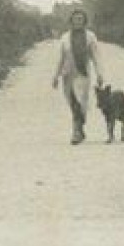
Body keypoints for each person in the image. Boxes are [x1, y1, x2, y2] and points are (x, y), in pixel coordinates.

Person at [51, 9, 106, 145]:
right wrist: (55, 76)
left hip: (82, 74)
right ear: (71, 21)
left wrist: (100, 73)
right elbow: (61, 58)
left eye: (81, 19)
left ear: (85, 21)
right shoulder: (65, 37)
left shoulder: (90, 37)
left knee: (79, 102)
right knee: (72, 102)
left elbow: (96, 57)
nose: (78, 21)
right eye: (75, 19)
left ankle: (76, 131)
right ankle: (80, 128)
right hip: (68, 74)